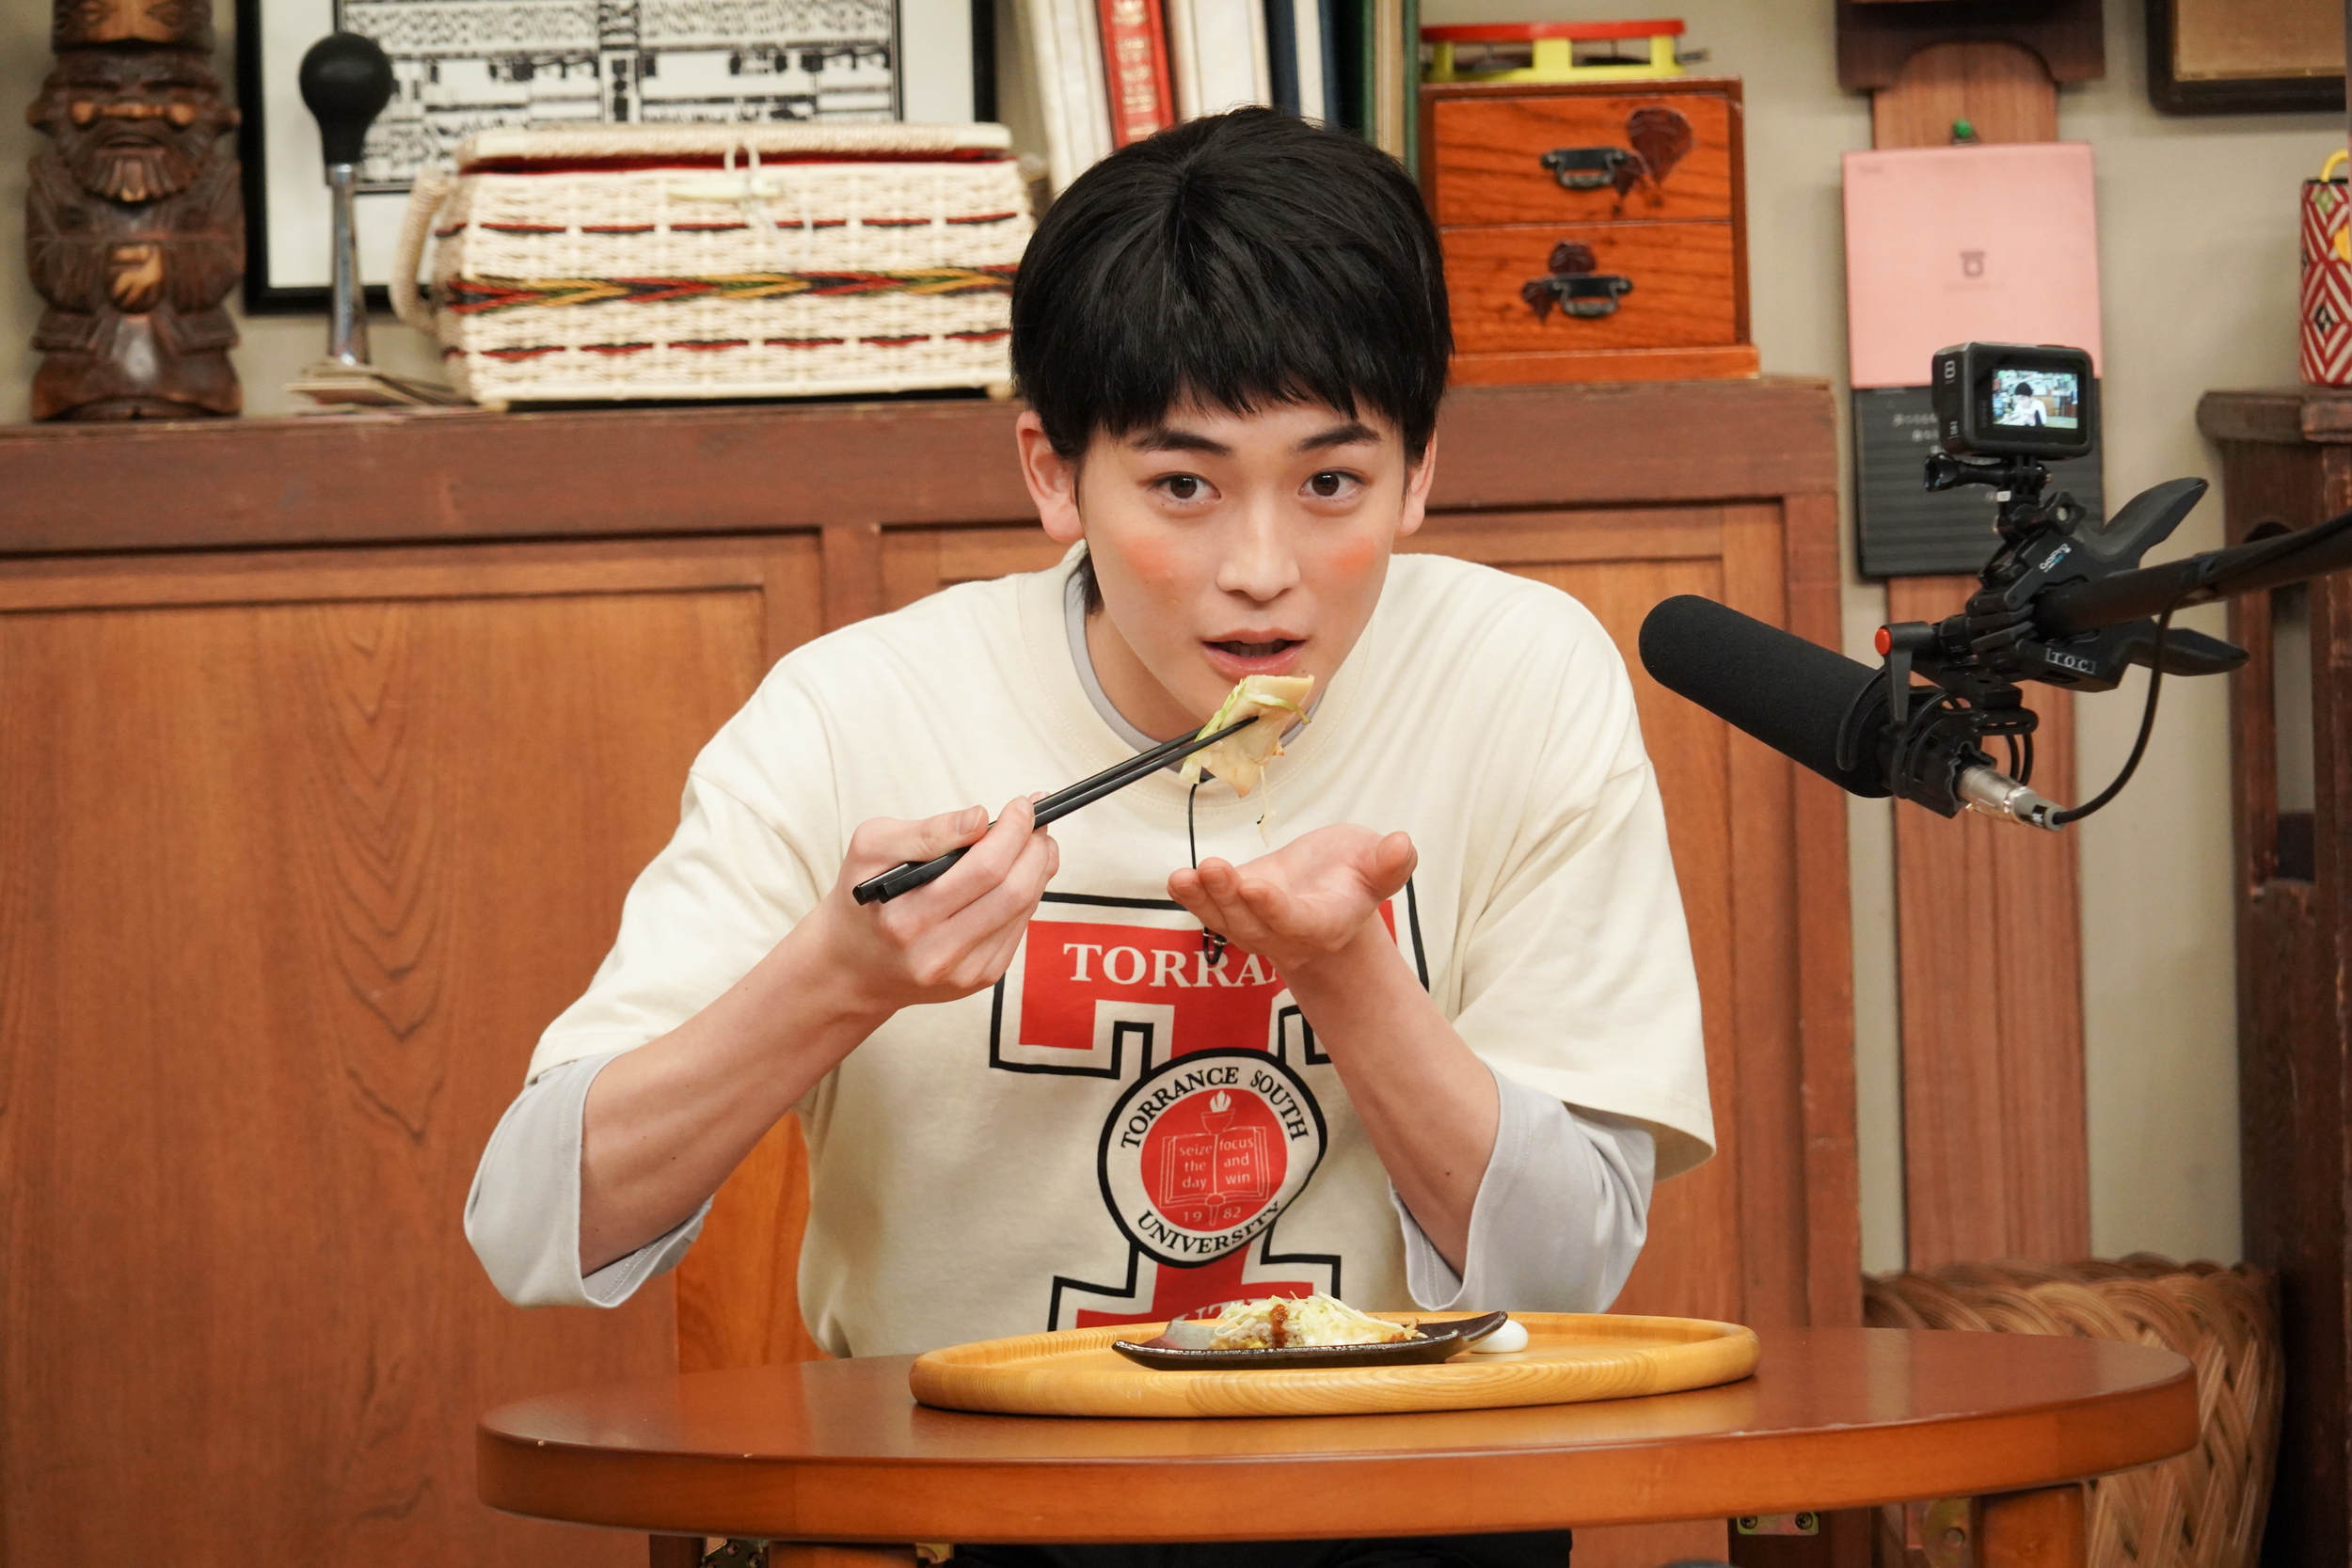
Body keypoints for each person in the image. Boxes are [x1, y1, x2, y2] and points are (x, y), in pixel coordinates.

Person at [465, 108, 1710, 1568]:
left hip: (1417, 1511)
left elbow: (1569, 1271)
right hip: (955, 1524)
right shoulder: (857, 708)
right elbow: (534, 1223)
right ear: (1054, 474)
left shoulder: (1517, 674)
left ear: (1419, 472)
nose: (1263, 572)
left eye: (1331, 484)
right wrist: (837, 979)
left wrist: (1350, 977)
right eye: (1183, 486)